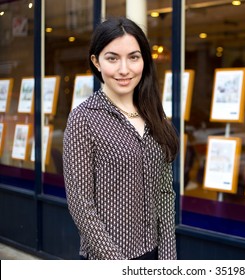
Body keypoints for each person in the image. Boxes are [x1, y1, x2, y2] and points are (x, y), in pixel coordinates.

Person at [63, 17, 179, 260]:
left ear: (144, 60)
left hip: (155, 255)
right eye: (112, 58)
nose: (124, 69)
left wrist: (168, 259)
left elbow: (165, 194)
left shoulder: (156, 116)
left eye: (133, 57)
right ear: (96, 62)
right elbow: (81, 205)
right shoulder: (83, 119)